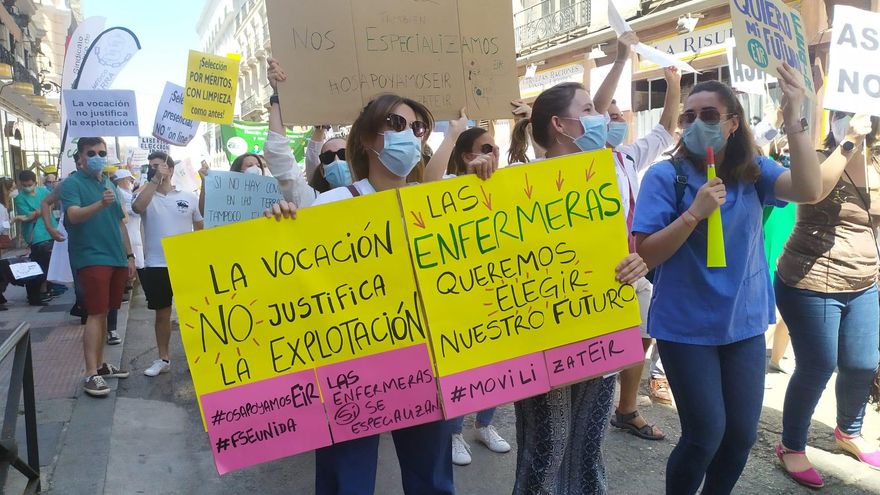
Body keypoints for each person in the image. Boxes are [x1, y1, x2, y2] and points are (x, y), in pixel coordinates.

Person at [632, 64, 823, 494]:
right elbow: (645, 254)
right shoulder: (667, 176)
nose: (697, 123)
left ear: (733, 123)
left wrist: (794, 118)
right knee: (705, 435)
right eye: (689, 116)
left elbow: (809, 189)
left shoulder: (754, 170)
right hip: (686, 327)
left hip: (743, 324)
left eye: (710, 115)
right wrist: (693, 214)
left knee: (740, 438)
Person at [267, 92, 463, 495]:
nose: (408, 135)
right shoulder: (333, 203)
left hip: (427, 360)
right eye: (394, 125)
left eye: (416, 128)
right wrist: (281, 231)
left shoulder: (440, 201)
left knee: (432, 479)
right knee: (347, 480)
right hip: (351, 367)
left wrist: (486, 174)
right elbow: (300, 278)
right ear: (368, 139)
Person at [504, 34, 649, 494]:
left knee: (588, 446)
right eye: (588, 110)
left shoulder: (609, 173)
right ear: (560, 126)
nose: (600, 117)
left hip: (602, 329)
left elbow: (622, 247)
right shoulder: (517, 184)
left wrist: (635, 264)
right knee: (546, 448)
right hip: (545, 338)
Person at [773, 112, 880, 487]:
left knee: (864, 363)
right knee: (817, 366)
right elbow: (815, 190)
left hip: (864, 279)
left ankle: (848, 432)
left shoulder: (876, 160)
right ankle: (790, 446)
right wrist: (849, 142)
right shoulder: (817, 156)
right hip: (812, 279)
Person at [602, 66, 681, 442]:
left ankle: (626, 408)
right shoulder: (576, 162)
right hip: (593, 270)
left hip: (634, 267)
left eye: (620, 116)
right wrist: (620, 59)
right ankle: (592, 411)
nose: (618, 121)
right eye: (609, 116)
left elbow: (666, 127)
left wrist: (673, 84)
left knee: (643, 333)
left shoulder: (628, 156)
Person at [445, 127, 510, 466]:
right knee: (461, 367)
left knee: (495, 362)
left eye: (496, 147)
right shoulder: (446, 190)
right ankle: (453, 432)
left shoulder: (505, 184)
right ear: (467, 156)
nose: (494, 153)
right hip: (458, 297)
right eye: (486, 148)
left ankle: (485, 424)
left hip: (496, 291)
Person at [61, 137, 133, 397]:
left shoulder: (108, 184)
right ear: (79, 157)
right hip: (91, 258)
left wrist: (130, 256)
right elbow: (72, 216)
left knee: (105, 314)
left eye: (101, 152)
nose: (97, 156)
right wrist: (99, 204)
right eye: (91, 152)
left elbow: (119, 222)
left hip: (116, 257)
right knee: (94, 313)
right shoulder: (71, 183)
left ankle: (101, 366)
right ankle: (90, 373)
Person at [133, 152, 203, 377]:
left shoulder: (188, 197)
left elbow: (200, 227)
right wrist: (154, 180)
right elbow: (136, 208)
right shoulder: (146, 195)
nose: (156, 170)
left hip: (185, 264)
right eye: (151, 166)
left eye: (160, 166)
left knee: (193, 313)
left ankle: (199, 358)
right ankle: (163, 358)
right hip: (156, 264)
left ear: (171, 169)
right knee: (162, 314)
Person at [13, 169, 57, 306]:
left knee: (49, 264)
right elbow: (28, 216)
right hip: (35, 234)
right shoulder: (19, 199)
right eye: (24, 185)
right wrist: (43, 208)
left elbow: (52, 203)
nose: (27, 187)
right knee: (40, 265)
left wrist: (37, 212)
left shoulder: (43, 191)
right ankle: (34, 294)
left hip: (50, 229)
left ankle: (44, 290)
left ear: (35, 182)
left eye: (29, 184)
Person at [113, 169, 144, 271]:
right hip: (128, 237)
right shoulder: (121, 194)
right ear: (122, 180)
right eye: (130, 180)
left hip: (134, 236)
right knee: (133, 270)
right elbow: (136, 207)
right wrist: (146, 186)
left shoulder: (127, 193)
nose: (132, 183)